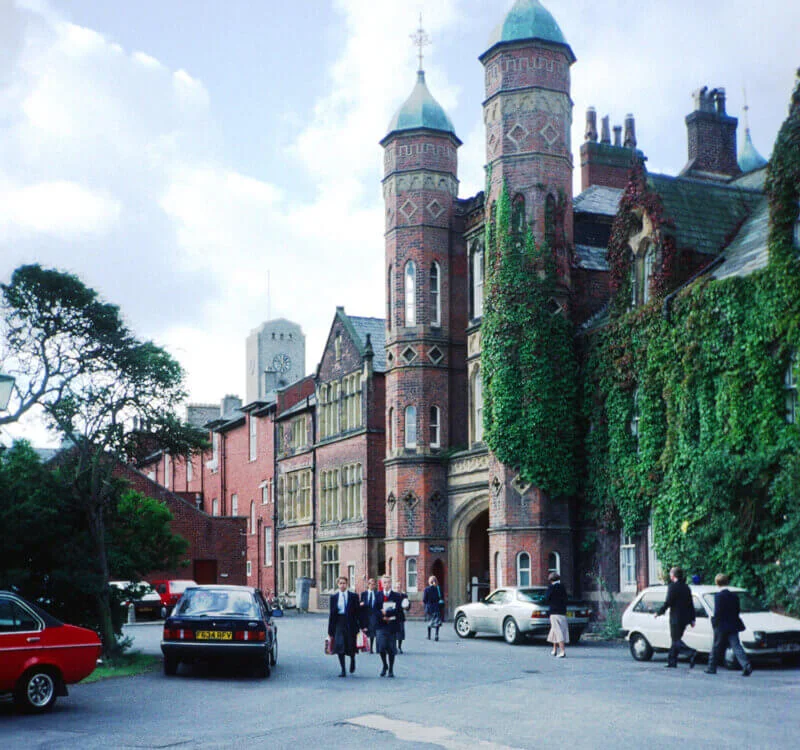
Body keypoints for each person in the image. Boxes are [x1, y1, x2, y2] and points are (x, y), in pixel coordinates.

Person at [705, 574, 753, 677]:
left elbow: (717, 612)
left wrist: (714, 622)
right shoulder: (734, 596)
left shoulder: (718, 597)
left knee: (716, 646)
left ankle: (711, 667)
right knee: (736, 646)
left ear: (717, 583)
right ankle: (746, 665)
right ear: (727, 582)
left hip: (721, 625)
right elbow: (737, 611)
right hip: (732, 624)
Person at [655, 566, 697, 669]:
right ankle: (672, 662)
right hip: (685, 618)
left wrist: (659, 612)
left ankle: (691, 653)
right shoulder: (686, 587)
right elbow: (690, 604)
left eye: (670, 574)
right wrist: (692, 619)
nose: (670, 575)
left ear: (673, 575)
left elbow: (668, 602)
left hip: (675, 618)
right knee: (676, 639)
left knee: (675, 640)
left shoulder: (672, 587)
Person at [327, 576, 360, 677]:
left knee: (350, 645)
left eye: (344, 583)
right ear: (338, 585)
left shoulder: (353, 596)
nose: (342, 585)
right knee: (340, 645)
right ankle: (343, 669)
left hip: (350, 622)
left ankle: (352, 659)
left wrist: (361, 626)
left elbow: (358, 612)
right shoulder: (334, 597)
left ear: (347, 584)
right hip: (339, 622)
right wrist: (330, 631)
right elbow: (331, 614)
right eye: (340, 583)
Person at [375, 574, 407, 677]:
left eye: (388, 582)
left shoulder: (396, 596)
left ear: (391, 583)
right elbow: (374, 610)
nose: (387, 584)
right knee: (381, 647)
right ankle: (385, 665)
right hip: (381, 625)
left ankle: (391, 669)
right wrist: (382, 615)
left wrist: (387, 614)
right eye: (384, 582)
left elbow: (398, 610)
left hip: (392, 625)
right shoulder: (378, 595)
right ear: (382, 584)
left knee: (391, 648)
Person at [545, 572, 569, 658]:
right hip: (562, 612)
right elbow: (566, 599)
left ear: (550, 580)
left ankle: (562, 651)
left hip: (554, 612)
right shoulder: (562, 587)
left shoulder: (551, 588)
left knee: (557, 631)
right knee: (555, 630)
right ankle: (554, 649)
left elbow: (547, 598)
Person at [359, 577, 381, 653]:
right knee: (366, 631)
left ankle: (372, 648)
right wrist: (361, 605)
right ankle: (364, 646)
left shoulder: (377, 594)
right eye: (370, 584)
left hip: (374, 614)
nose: (372, 585)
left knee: (373, 631)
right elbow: (360, 604)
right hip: (366, 614)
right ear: (368, 585)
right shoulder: (364, 594)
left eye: (373, 584)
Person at [423, 576, 445, 641]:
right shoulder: (438, 588)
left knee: (430, 621)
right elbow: (442, 597)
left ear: (430, 582)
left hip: (429, 608)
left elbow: (424, 599)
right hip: (437, 607)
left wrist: (427, 603)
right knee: (437, 622)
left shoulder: (426, 589)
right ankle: (436, 635)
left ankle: (429, 636)